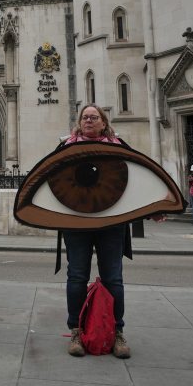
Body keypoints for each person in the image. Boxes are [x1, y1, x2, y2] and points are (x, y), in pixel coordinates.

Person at [63, 104, 136, 359]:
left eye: (94, 117)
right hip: (77, 222)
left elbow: (136, 182)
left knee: (113, 278)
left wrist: (154, 208)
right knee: (77, 277)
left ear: (103, 123)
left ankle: (117, 332)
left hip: (111, 223)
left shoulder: (119, 147)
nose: (89, 121)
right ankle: (76, 331)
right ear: (79, 122)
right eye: (85, 117)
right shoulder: (66, 148)